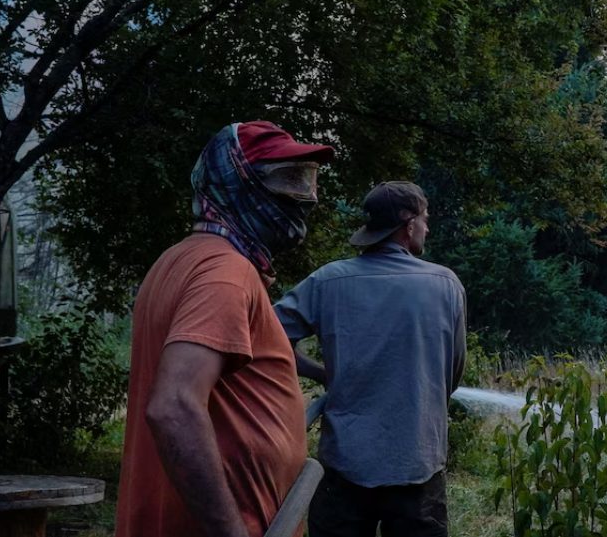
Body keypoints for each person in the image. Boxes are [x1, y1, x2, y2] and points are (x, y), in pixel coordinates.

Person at [115, 121, 335, 537]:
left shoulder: (183, 259)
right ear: (234, 182)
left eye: (304, 181)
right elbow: (174, 406)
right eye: (286, 181)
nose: (303, 200)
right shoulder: (224, 272)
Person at [275, 181, 467, 537]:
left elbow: (265, 337)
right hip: (418, 465)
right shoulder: (445, 285)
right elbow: (451, 376)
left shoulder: (327, 281)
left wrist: (321, 374)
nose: (428, 227)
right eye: (425, 219)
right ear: (409, 225)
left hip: (345, 468)